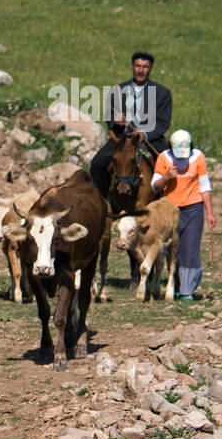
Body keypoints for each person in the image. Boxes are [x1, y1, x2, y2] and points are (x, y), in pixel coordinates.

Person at [90, 51, 173, 198]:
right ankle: (104, 203)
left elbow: (163, 123)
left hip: (150, 139)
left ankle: (161, 202)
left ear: (150, 69)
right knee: (97, 164)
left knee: (168, 166)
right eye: (138, 66)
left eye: (145, 67)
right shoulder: (117, 90)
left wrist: (144, 133)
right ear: (132, 67)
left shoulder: (162, 93)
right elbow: (109, 117)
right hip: (122, 139)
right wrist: (116, 121)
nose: (141, 70)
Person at [151, 129, 214, 301]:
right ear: (171, 147)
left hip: (194, 207)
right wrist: (167, 178)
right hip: (170, 210)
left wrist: (209, 212)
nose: (181, 157)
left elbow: (204, 185)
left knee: (190, 250)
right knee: (172, 250)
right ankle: (177, 284)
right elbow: (155, 186)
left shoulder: (198, 157)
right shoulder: (164, 158)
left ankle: (187, 291)